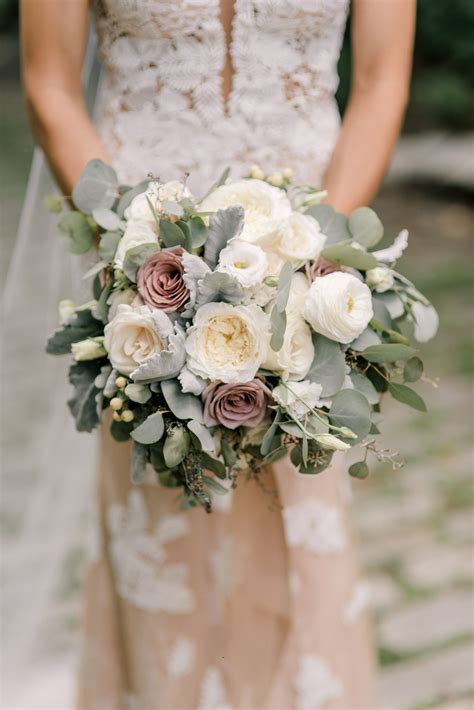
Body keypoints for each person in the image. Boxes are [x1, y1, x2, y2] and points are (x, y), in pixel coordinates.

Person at [20, 1, 415, 707]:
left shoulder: (304, 268)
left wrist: (302, 267)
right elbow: (50, 82)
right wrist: (135, 257)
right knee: (160, 518)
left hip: (305, 260)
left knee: (304, 499)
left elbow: (383, 79)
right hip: (142, 274)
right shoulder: (139, 275)